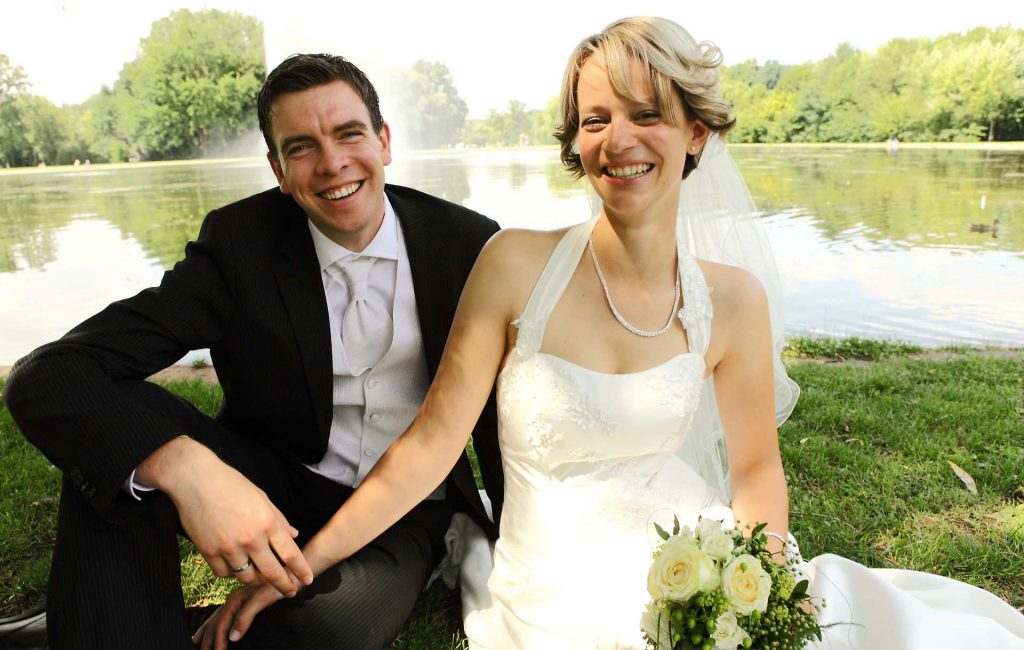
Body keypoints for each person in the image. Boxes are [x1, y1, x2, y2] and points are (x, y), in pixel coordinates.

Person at [197, 19, 1024, 650]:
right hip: (552, 579)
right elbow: (427, 448)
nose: (617, 140)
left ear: (695, 132)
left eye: (645, 114)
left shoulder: (730, 301)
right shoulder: (513, 265)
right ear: (576, 140)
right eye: (595, 120)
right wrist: (301, 565)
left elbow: (755, 471)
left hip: (687, 547)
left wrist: (755, 581)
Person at [1, 54, 504, 650]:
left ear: (384, 140)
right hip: (270, 481)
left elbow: (504, 415)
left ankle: (82, 621)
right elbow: (50, 375)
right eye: (301, 147)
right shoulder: (239, 244)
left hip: (404, 512)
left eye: (348, 133)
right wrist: (187, 469)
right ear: (278, 169)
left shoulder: (470, 243)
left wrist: (515, 544)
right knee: (120, 438)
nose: (333, 163)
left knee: (312, 634)